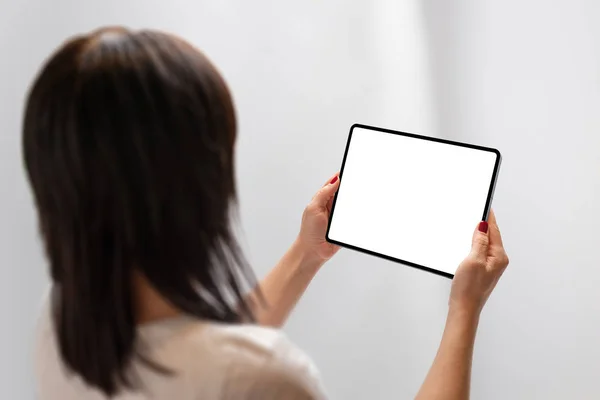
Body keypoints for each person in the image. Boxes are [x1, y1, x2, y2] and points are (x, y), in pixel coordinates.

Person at [26, 27, 509, 400]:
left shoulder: (66, 325)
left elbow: (199, 352)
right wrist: (464, 311)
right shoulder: (266, 377)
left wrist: (306, 254)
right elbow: (228, 368)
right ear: (189, 187)